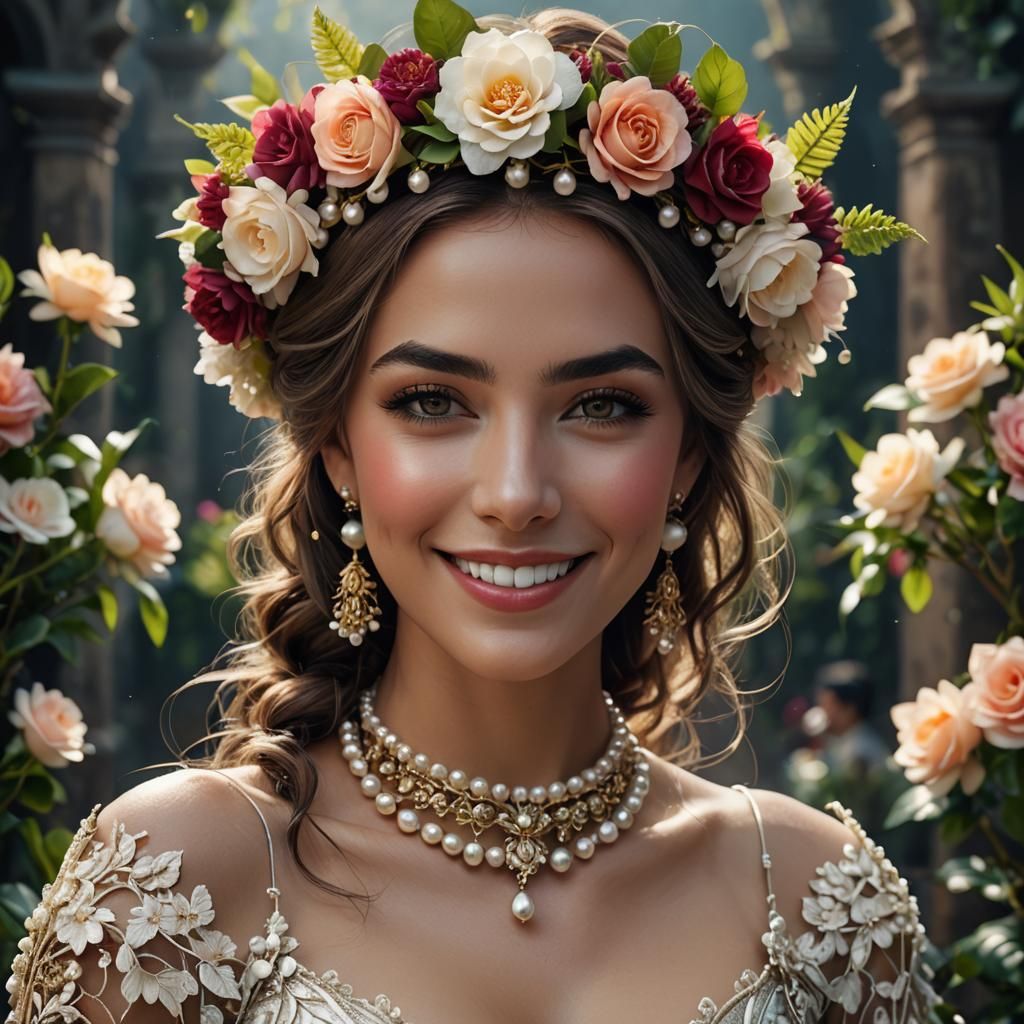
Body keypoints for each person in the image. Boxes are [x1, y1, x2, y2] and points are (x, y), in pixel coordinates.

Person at [4, 6, 942, 1024]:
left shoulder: (819, 904)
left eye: (600, 406)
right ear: (336, 448)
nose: (514, 492)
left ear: (687, 455)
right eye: (432, 402)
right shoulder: (173, 891)